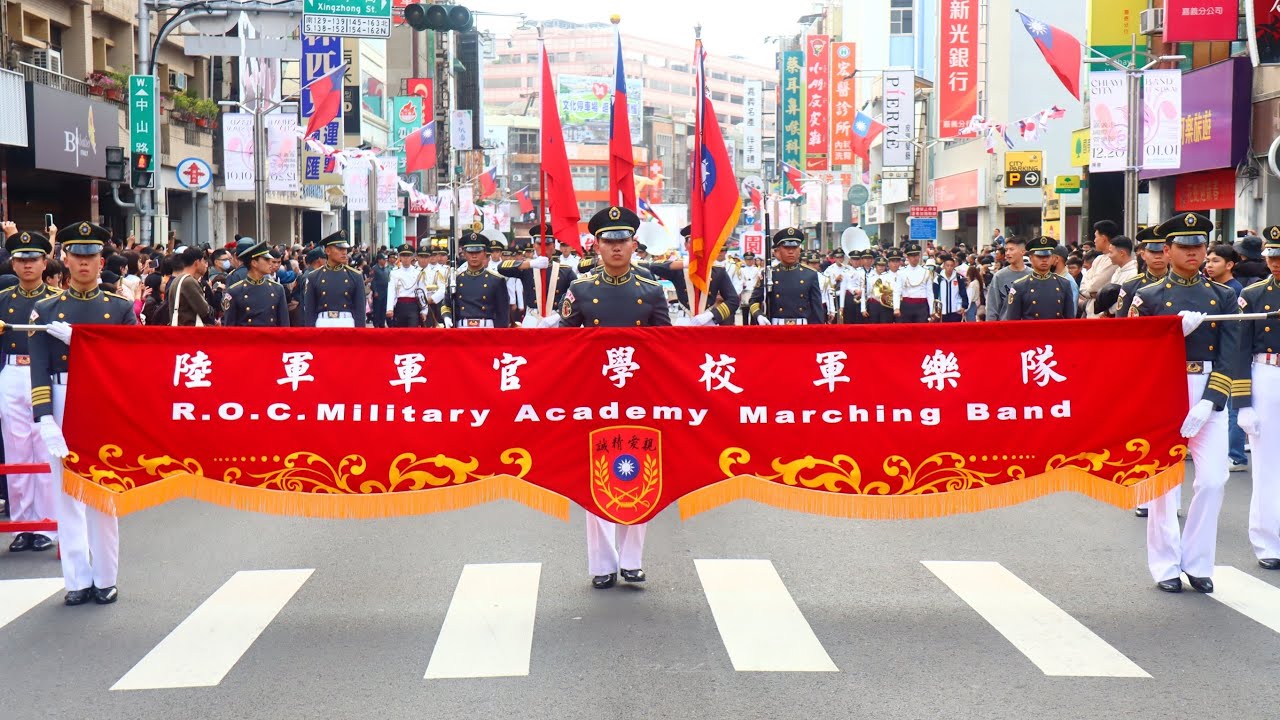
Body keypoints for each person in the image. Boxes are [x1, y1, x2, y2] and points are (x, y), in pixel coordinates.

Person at [534, 206, 669, 589]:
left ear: (633, 244)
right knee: (596, 479)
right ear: (596, 245)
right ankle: (603, 564)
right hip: (593, 396)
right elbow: (565, 344)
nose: (615, 247)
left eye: (622, 240)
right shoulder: (581, 290)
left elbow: (668, 348)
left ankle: (632, 561)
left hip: (640, 396)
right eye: (608, 241)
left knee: (641, 473)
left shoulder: (651, 290)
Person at [1132, 212, 1246, 594]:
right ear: (1167, 250)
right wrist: (1170, 334)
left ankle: (1197, 561)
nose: (1193, 252)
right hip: (1165, 388)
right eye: (1184, 246)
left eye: (1198, 245)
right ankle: (1165, 564)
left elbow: (1231, 354)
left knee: (1214, 480)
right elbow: (1133, 354)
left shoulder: (1223, 296)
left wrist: (1210, 401)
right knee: (1164, 485)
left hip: (1207, 389)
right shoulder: (1148, 297)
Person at [32, 221, 139, 605]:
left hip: (101, 401)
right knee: (66, 494)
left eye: (90, 255)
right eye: (77, 254)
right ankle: (76, 580)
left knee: (102, 492)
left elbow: (131, 363)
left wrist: (84, 341)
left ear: (101, 261)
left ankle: (105, 577)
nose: (83, 262)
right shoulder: (46, 309)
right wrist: (44, 415)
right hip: (62, 394)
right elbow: (39, 366)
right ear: (65, 259)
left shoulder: (119, 308)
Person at [0, 226, 61, 553]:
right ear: (13, 264)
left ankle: (47, 524)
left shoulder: (56, 300)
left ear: (44, 263)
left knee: (44, 447)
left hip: (43, 374)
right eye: (21, 260)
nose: (27, 265)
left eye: (33, 259)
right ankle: (22, 524)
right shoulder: (3, 299)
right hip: (11, 371)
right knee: (16, 448)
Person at [1236, 225, 1280, 570]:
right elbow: (1239, 349)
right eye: (1272, 256)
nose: (1275, 263)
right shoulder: (1253, 295)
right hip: (1267, 373)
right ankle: (1268, 542)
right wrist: (1243, 402)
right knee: (1267, 463)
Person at [496, 224, 576, 325]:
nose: (543, 247)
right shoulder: (527, 268)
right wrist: (531, 264)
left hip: (555, 319)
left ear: (554, 247)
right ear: (534, 245)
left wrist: (559, 315)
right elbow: (501, 268)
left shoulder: (565, 271)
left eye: (547, 244)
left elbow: (576, 295)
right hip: (532, 317)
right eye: (539, 243)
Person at [748, 227, 826, 325]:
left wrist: (818, 330)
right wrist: (759, 315)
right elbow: (754, 300)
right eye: (786, 248)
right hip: (776, 326)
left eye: (794, 248)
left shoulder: (810, 274)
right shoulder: (769, 273)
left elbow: (817, 307)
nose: (791, 252)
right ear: (778, 250)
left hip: (802, 327)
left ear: (799, 250)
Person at [439, 232, 509, 329]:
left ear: (485, 253)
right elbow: (446, 304)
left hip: (486, 328)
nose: (474, 256)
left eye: (478, 252)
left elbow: (502, 312)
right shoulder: (456, 279)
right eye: (470, 252)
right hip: (462, 328)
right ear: (464, 253)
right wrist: (447, 317)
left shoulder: (496, 280)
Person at [302, 230, 366, 327]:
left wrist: (360, 333)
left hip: (346, 322)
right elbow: (309, 311)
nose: (344, 252)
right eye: (340, 249)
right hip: (323, 323)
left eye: (345, 249)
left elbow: (360, 311)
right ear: (328, 251)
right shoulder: (314, 276)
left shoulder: (355, 276)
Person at [1002, 237, 1076, 320]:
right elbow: (1013, 320)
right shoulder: (1019, 286)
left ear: (1052, 258)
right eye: (1040, 256)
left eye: (1047, 256)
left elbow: (1070, 319)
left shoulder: (1064, 284)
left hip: (1056, 328)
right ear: (1031, 258)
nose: (1044, 260)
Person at [222, 241, 289, 327]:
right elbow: (230, 328)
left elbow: (284, 325)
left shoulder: (277, 289)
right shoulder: (235, 291)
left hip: (270, 335)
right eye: (266, 259)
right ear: (254, 263)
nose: (270, 263)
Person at [1115, 227, 1168, 318]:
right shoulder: (1130, 285)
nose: (1158, 256)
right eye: (1153, 252)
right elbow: (1121, 320)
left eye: (1162, 252)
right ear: (1143, 255)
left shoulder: (1177, 283)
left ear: (1169, 253)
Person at [1080, 220, 1121, 317]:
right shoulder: (1098, 259)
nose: (1094, 240)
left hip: (1102, 316)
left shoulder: (1113, 260)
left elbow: (1093, 286)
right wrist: (1090, 292)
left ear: (1103, 238)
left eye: (1096, 237)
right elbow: (1083, 285)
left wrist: (1090, 290)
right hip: (1090, 313)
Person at [985, 236, 1031, 320]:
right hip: (1005, 326)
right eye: (1006, 250)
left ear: (1023, 251)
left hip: (1029, 325)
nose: (1007, 253)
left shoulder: (1032, 275)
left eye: (1011, 249)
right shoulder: (999, 276)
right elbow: (992, 307)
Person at [168, 247, 213, 326]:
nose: (205, 265)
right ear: (197, 263)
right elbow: (204, 310)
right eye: (203, 261)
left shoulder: (177, 280)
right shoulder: (188, 281)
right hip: (189, 330)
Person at [894, 243, 931, 323]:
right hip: (907, 305)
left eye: (916, 255)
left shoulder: (926, 272)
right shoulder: (901, 272)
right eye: (912, 256)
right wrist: (896, 308)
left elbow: (930, 292)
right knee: (906, 329)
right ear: (908, 257)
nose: (915, 258)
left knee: (921, 329)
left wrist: (932, 310)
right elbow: (897, 291)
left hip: (922, 306)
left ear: (919, 256)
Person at [931, 253, 968, 322]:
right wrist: (934, 310)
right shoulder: (938, 279)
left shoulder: (958, 278)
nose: (949, 268)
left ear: (954, 266)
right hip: (942, 312)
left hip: (956, 311)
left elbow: (963, 293)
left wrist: (964, 306)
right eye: (947, 265)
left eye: (951, 266)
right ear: (944, 266)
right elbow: (934, 295)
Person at [370, 251, 392, 328]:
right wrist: (375, 291)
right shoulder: (374, 269)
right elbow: (372, 281)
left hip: (385, 292)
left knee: (383, 309)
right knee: (377, 309)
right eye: (383, 259)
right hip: (378, 292)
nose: (385, 261)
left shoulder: (386, 269)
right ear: (379, 260)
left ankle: (382, 323)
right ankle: (376, 324)